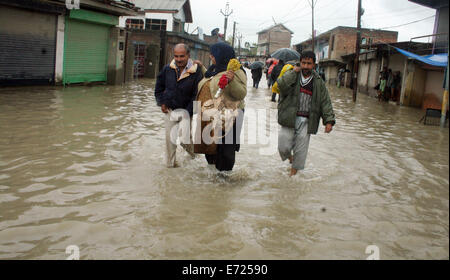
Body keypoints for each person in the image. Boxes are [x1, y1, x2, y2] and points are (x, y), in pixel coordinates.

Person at [277, 51, 336, 176]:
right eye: (303, 63)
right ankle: (290, 159)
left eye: (309, 63)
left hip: (307, 121)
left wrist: (329, 121)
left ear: (314, 65)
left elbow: (325, 102)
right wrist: (294, 72)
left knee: (301, 150)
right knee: (283, 147)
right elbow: (281, 86)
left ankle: (292, 178)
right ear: (300, 62)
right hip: (289, 118)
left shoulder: (318, 82)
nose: (306, 66)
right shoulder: (292, 74)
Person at [194, 42, 247, 171]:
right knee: (211, 147)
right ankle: (213, 178)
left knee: (226, 150)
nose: (211, 57)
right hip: (211, 115)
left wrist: (232, 81)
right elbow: (214, 80)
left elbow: (241, 93)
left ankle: (225, 181)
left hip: (230, 115)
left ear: (221, 55)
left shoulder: (236, 71)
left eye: (213, 55)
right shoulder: (214, 69)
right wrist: (202, 68)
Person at [155, 43, 203, 167]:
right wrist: (162, 102)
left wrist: (187, 113)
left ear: (188, 55)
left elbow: (197, 96)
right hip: (170, 110)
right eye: (176, 56)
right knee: (169, 141)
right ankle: (170, 166)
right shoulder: (167, 69)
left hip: (187, 112)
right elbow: (159, 87)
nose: (179, 59)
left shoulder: (196, 72)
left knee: (184, 141)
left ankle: (195, 157)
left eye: (182, 56)